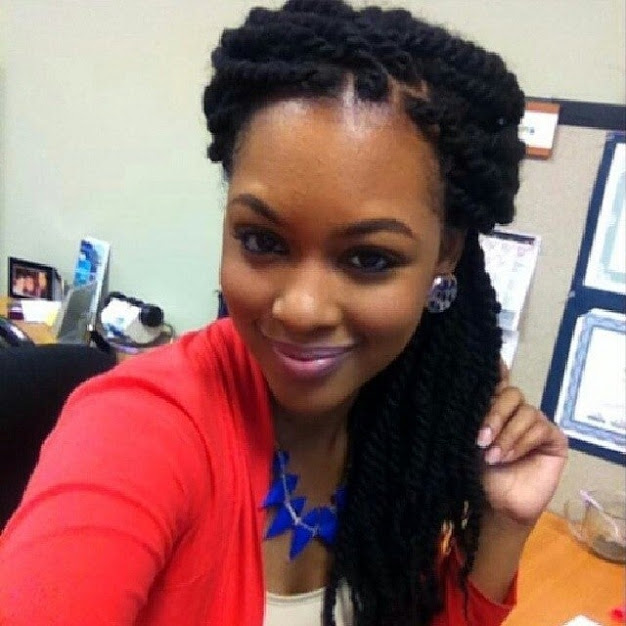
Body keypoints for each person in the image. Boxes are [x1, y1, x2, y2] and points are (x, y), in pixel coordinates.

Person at [0, 1, 568, 625]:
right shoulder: (138, 429)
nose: (300, 309)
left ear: (446, 253)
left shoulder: (403, 415)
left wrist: (503, 525)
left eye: (369, 259)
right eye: (262, 241)